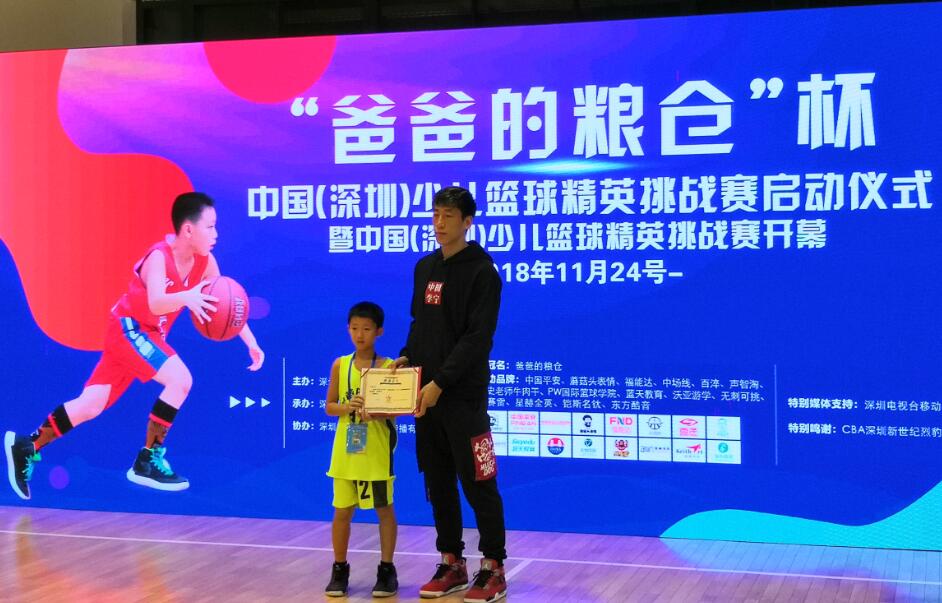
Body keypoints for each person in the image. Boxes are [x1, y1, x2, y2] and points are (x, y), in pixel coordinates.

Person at [4, 192, 264, 499]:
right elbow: (156, 302)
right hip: (130, 329)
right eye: (210, 226)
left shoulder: (206, 264)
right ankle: (147, 460)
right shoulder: (159, 257)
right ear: (188, 229)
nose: (216, 234)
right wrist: (187, 297)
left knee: (90, 405)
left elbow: (225, 306)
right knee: (180, 380)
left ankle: (27, 445)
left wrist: (251, 342)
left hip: (147, 336)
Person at [394, 186, 507, 603]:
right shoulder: (425, 267)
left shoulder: (483, 272)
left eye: (448, 216)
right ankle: (452, 562)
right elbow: (420, 324)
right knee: (437, 480)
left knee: (479, 480)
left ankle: (492, 566)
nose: (439, 223)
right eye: (436, 214)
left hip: (463, 397)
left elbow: (477, 338)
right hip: (425, 396)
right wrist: (406, 359)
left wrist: (440, 383)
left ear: (467, 221)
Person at [324, 301, 399, 598]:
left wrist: (377, 410)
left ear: (379, 331)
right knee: (342, 510)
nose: (359, 334)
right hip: (346, 452)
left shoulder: (389, 366)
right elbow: (330, 406)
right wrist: (348, 407)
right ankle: (339, 569)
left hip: (377, 451)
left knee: (384, 509)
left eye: (366, 329)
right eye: (354, 328)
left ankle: (387, 569)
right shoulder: (340, 365)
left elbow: (398, 409)